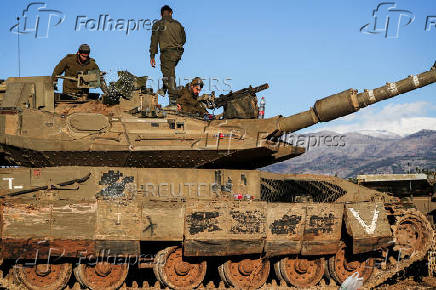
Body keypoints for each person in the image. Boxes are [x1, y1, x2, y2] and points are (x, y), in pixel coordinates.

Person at [149, 5, 186, 105]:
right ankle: (164, 88)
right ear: (171, 13)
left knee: (170, 76)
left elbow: (154, 41)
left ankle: (173, 102)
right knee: (168, 72)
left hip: (167, 53)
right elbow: (184, 40)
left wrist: (152, 56)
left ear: (161, 14)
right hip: (178, 53)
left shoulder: (158, 24)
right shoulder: (178, 24)